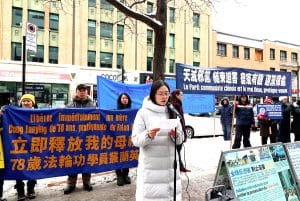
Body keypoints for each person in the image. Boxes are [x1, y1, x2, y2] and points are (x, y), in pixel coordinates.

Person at [132, 80, 184, 201]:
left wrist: (175, 135)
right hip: (151, 169)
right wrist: (148, 135)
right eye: (160, 93)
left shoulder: (172, 111)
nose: (164, 97)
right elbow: (135, 140)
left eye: (166, 93)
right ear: (153, 94)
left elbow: (180, 139)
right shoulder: (143, 113)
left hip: (170, 167)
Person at [64, 84, 95, 195]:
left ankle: (86, 182)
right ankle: (71, 184)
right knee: (72, 161)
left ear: (86, 92)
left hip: (87, 137)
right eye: (80, 90)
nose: (82, 92)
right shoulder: (70, 105)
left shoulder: (92, 105)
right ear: (76, 92)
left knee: (87, 160)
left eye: (84, 90)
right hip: (73, 138)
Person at [16, 94, 38, 200]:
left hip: (34, 144)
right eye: (24, 101)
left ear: (33, 103)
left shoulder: (39, 114)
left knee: (33, 166)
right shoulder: (15, 113)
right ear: (21, 102)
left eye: (28, 101)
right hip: (19, 144)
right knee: (18, 167)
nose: (26, 102)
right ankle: (20, 191)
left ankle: (31, 190)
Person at [170, 89, 190, 172]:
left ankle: (180, 166)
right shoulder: (175, 105)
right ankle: (179, 167)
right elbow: (178, 120)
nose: (182, 97)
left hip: (180, 128)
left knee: (178, 150)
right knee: (177, 150)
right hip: (177, 129)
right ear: (176, 95)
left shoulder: (178, 104)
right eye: (181, 95)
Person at [115, 93, 132, 186]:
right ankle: (119, 176)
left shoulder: (132, 111)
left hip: (128, 137)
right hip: (117, 137)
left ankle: (126, 175)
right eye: (123, 98)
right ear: (120, 100)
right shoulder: (116, 111)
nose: (125, 99)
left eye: (126, 98)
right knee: (118, 157)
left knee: (127, 156)